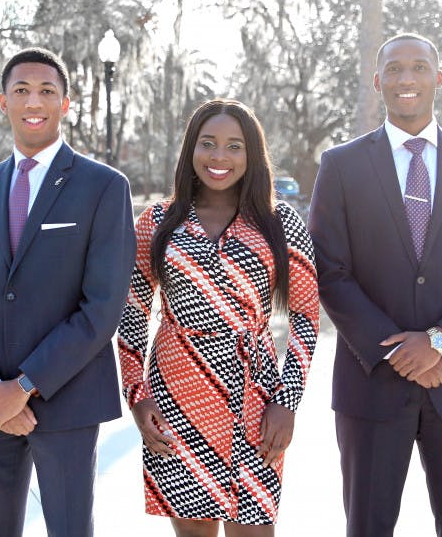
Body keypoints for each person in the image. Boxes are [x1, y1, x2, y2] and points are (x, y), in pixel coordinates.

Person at [307, 33, 442, 537]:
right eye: (395, 69)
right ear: (377, 81)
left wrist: (440, 343)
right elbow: (330, 271)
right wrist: (398, 352)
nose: (407, 79)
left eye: (419, 67)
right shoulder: (341, 166)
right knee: (368, 527)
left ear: (438, 78)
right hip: (372, 385)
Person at [0, 47, 136, 537]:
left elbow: (101, 308)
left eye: (47, 91)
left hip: (68, 402)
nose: (35, 101)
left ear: (66, 104)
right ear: (2, 101)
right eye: (22, 90)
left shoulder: (103, 188)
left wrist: (24, 387)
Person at [118, 99, 319, 536]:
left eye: (234, 146)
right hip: (176, 393)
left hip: (257, 396)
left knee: (253, 529)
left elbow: (305, 316)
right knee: (192, 531)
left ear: (252, 155)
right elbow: (131, 317)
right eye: (208, 143)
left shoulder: (279, 221)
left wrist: (287, 401)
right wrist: (137, 397)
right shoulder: (157, 222)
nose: (219, 157)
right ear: (191, 149)